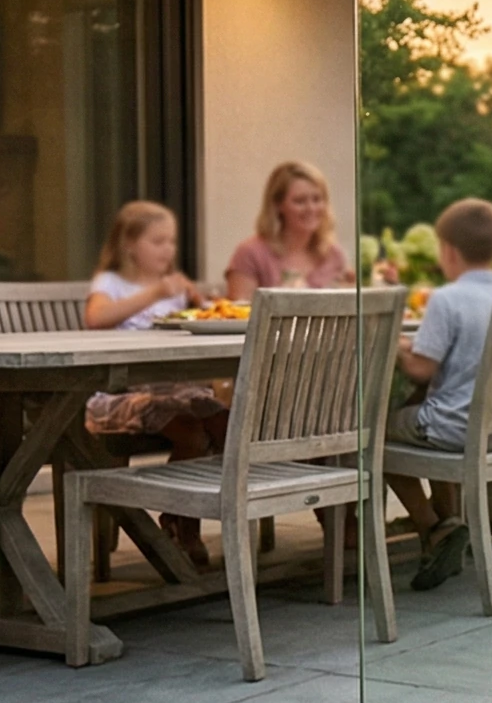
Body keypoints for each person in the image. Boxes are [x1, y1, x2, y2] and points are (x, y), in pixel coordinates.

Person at [85, 200, 228, 569]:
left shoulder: (174, 287)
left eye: (172, 241)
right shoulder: (112, 283)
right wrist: (154, 294)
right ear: (129, 245)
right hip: (120, 395)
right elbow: (96, 318)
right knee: (192, 433)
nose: (168, 249)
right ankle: (185, 527)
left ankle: (178, 515)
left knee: (223, 421)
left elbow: (199, 318)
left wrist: (202, 303)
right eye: (158, 241)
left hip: (173, 391)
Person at [385, 198, 492, 592]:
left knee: (371, 435)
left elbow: (422, 369)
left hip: (455, 427)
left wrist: (398, 348)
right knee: (423, 407)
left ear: (449, 251)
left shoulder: (448, 299)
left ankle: (433, 528)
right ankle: (449, 524)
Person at [222, 161, 352, 297]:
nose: (311, 208)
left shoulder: (334, 255)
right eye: (300, 201)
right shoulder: (249, 254)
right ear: (278, 205)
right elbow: (240, 307)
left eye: (317, 199)